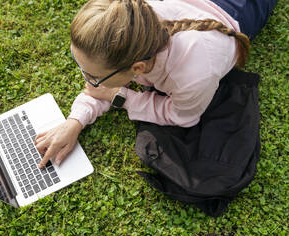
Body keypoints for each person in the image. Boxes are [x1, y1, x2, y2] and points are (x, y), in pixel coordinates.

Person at [34, 0, 277, 216]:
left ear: (138, 68)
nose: (86, 79)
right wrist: (74, 121)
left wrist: (120, 97)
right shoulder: (129, 26)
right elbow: (97, 90)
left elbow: (183, 116)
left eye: (93, 75)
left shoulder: (193, 72)